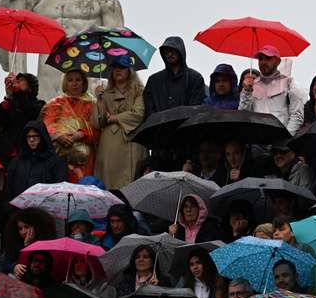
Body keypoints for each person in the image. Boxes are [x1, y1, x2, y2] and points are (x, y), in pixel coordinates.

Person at [91, 56, 148, 189]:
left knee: (132, 184)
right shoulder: (104, 94)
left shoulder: (140, 91)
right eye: (115, 67)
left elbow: (138, 114)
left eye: (122, 67)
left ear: (130, 71)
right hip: (110, 147)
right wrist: (99, 100)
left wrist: (114, 118)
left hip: (133, 142)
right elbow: (98, 122)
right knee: (110, 184)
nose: (118, 70)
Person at [39, 69, 98, 182]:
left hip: (84, 160)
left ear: (84, 83)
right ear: (65, 83)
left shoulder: (93, 105)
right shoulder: (55, 104)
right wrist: (58, 136)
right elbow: (45, 126)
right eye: (70, 80)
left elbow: (98, 130)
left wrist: (81, 134)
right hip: (59, 157)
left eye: (78, 80)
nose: (74, 83)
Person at [238, 45, 304, 135]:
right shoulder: (251, 86)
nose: (263, 62)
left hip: (279, 140)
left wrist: (286, 138)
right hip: (256, 141)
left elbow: (297, 115)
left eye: (268, 58)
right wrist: (246, 92)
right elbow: (243, 116)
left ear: (278, 61)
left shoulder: (289, 83)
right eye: (260, 59)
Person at [3, 121, 68, 204]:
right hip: (18, 210)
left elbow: (60, 190)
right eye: (28, 136)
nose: (31, 140)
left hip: (45, 211)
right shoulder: (16, 162)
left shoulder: (56, 161)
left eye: (35, 136)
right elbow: (8, 189)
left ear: (42, 137)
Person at [0, 72, 45, 165]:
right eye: (17, 80)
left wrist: (17, 91)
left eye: (21, 80)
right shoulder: (10, 102)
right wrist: (8, 96)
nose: (17, 82)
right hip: (5, 153)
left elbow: (27, 111)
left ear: (31, 85)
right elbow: (0, 121)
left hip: (27, 153)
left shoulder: (39, 104)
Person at [144, 36, 205, 118]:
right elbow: (149, 110)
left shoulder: (195, 78)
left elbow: (195, 108)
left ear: (180, 52)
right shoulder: (154, 80)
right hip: (159, 127)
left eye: (172, 50)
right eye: (166, 51)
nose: (169, 54)